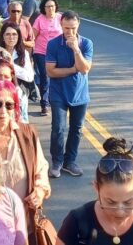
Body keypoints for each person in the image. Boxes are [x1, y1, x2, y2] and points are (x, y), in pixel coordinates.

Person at [0, 79, 50, 245]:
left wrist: (40, 191)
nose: (3, 110)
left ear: (15, 108)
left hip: (24, 228)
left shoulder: (28, 135)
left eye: (9, 105)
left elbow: (41, 170)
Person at [56, 137, 133, 245]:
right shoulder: (77, 221)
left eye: (128, 202)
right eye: (111, 202)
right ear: (96, 188)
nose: (120, 212)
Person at [45, 10, 92, 178]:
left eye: (73, 28)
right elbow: (51, 71)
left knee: (76, 129)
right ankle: (57, 161)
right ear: (61, 25)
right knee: (58, 128)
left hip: (79, 94)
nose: (69, 32)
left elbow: (85, 69)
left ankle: (69, 161)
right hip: (58, 94)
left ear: (78, 25)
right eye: (66, 28)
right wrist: (73, 69)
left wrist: (76, 50)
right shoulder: (53, 44)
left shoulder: (86, 44)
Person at [0, 22, 34, 122]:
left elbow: (29, 77)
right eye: (7, 34)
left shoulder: (23, 53)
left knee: (21, 125)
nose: (11, 37)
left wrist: (12, 64)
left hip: (19, 95)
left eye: (14, 34)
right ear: (2, 36)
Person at [32, 0, 62, 116]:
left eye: (53, 6)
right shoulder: (40, 19)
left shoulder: (60, 18)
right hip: (41, 52)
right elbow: (33, 36)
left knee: (58, 76)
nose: (51, 9)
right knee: (45, 77)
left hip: (57, 53)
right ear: (44, 8)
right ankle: (44, 104)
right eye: (48, 6)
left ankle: (56, 101)